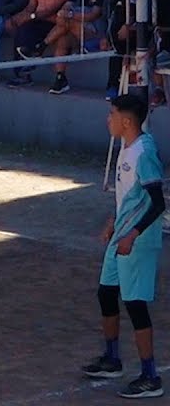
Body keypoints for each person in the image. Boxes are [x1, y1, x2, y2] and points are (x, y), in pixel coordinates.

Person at [81, 95, 165, 399]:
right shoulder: (127, 148)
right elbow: (132, 195)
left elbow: (158, 203)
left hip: (137, 242)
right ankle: (112, 359)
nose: (108, 119)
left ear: (126, 121)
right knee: (106, 293)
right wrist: (115, 221)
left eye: (112, 114)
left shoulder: (144, 153)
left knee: (136, 305)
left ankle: (150, 377)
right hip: (122, 236)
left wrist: (133, 234)